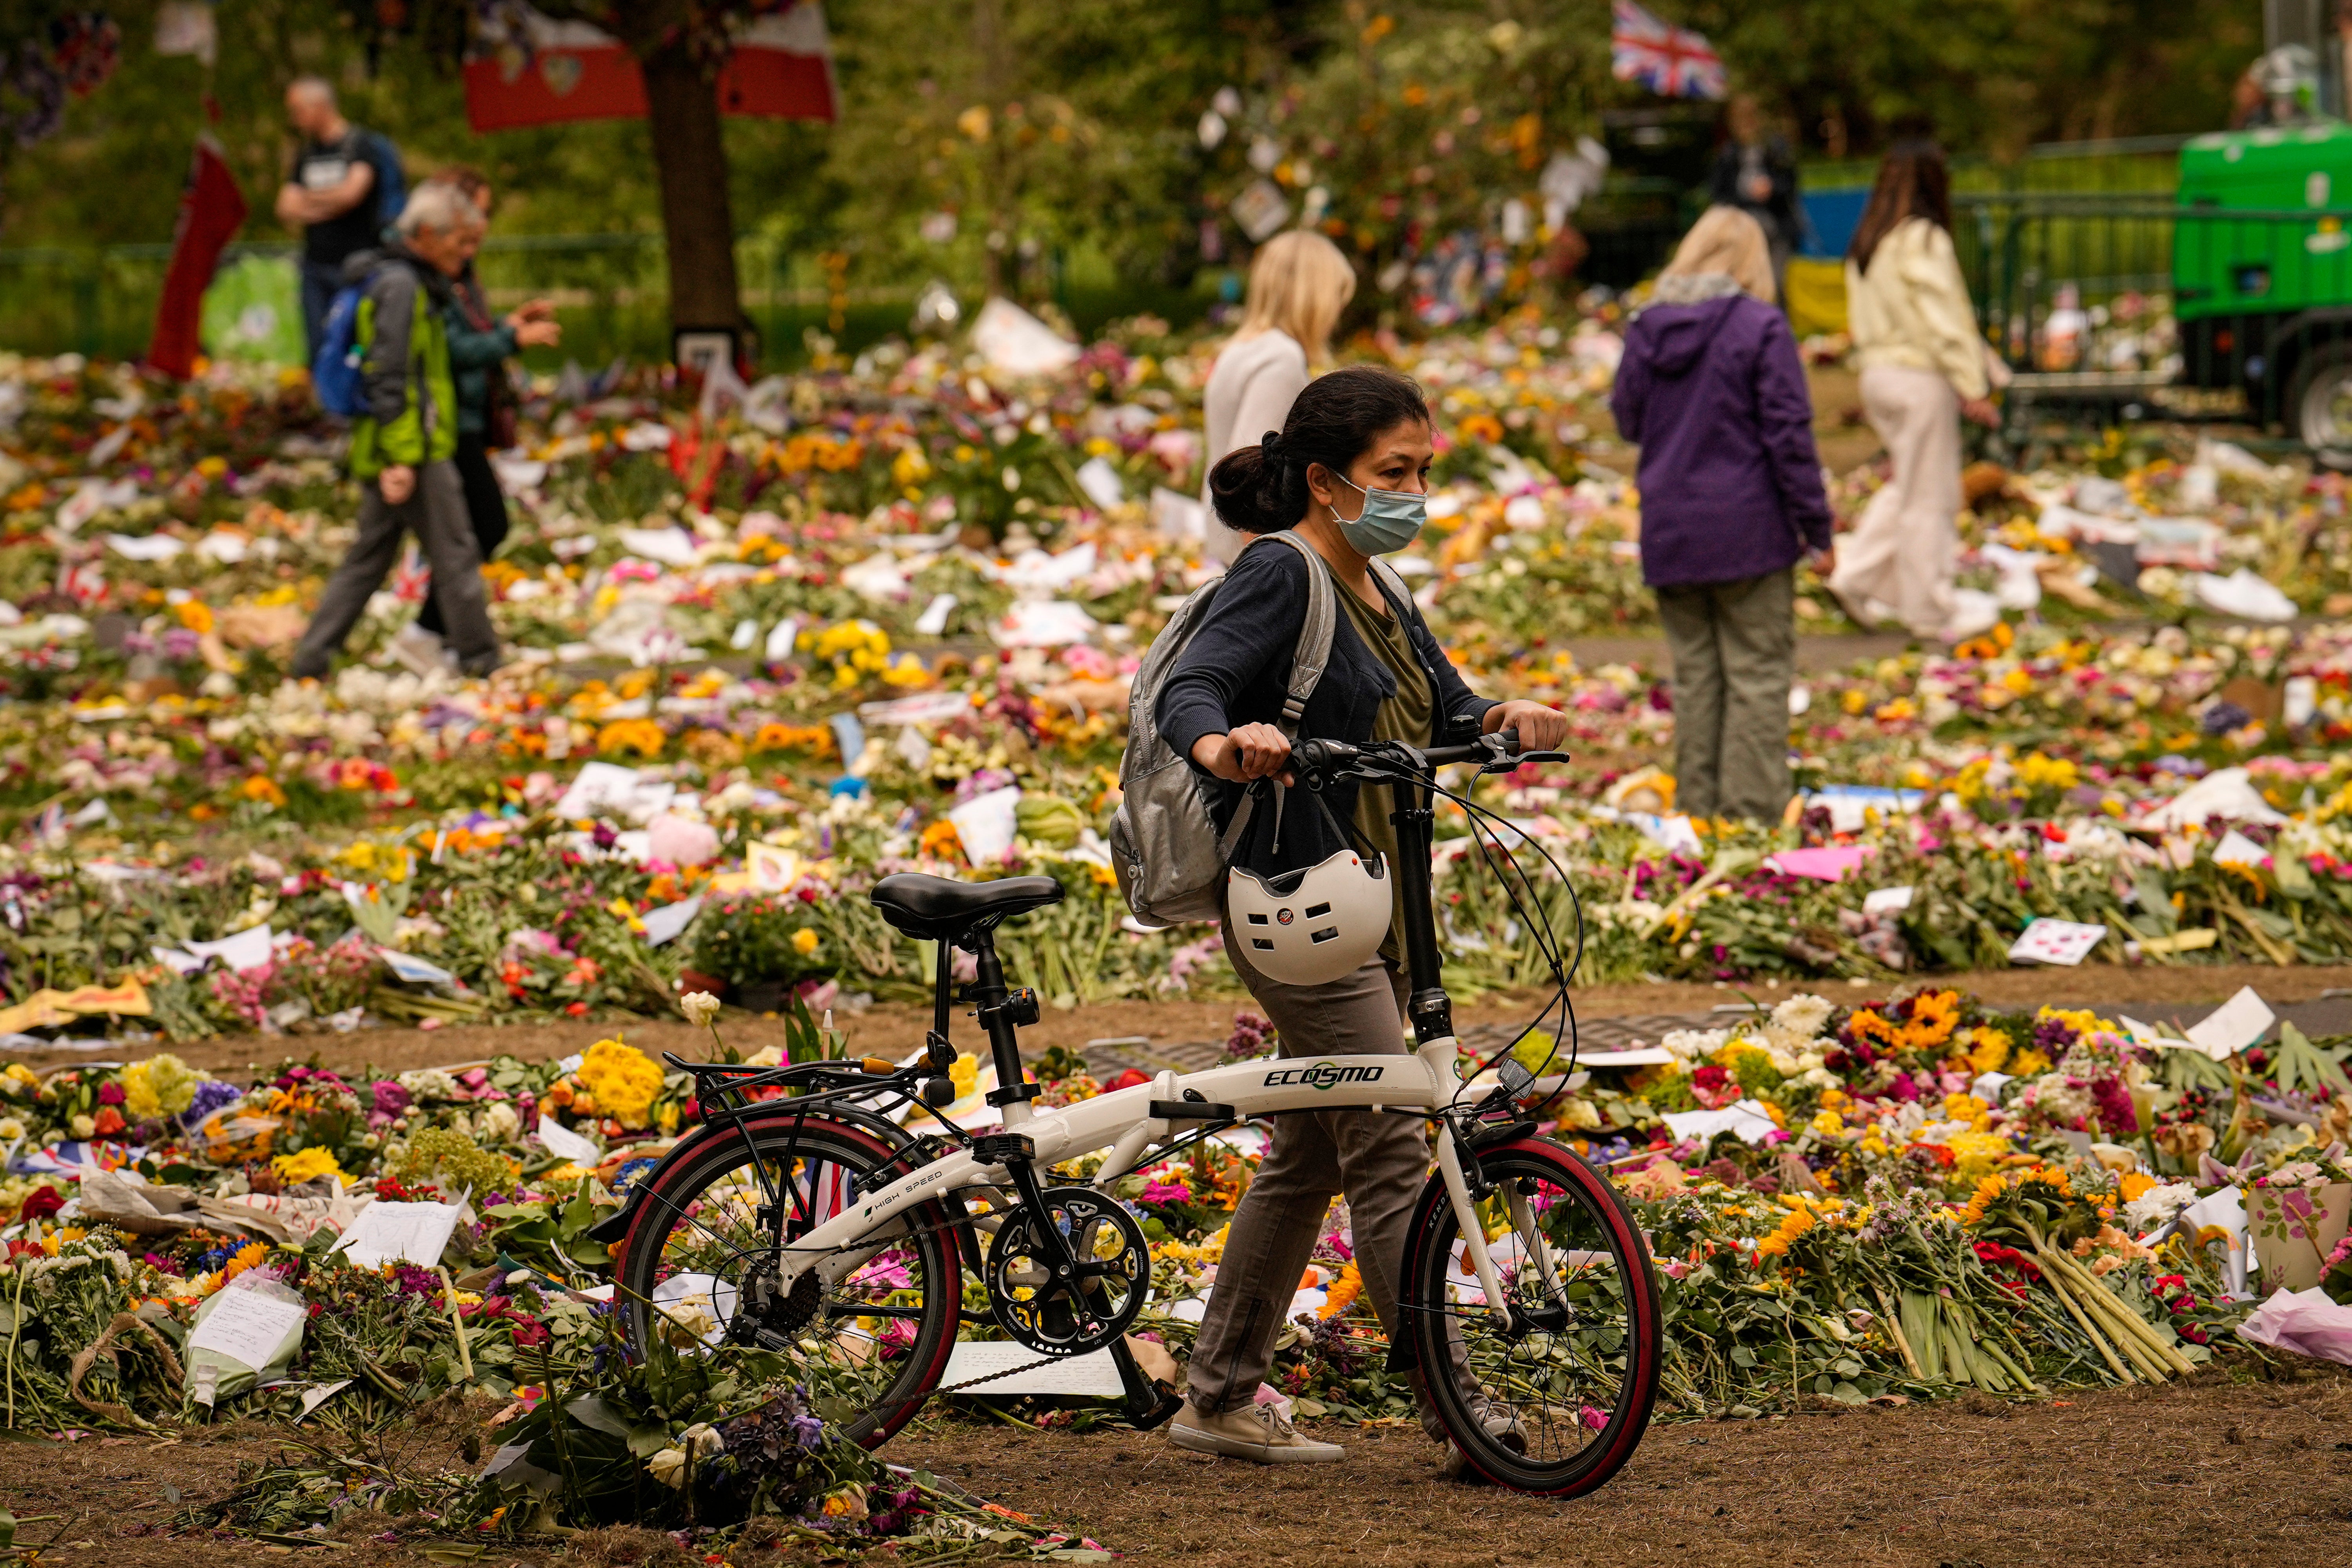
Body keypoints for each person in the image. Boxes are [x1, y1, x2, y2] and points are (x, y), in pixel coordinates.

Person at [1155, 365, 1572, 1467]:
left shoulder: (1380, 585)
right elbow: (1188, 689)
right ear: (1330, 481)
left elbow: (1443, 700)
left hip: (1377, 899)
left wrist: (1502, 718)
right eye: (1398, 473)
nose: (1417, 492)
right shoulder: (1282, 575)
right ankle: (1459, 1409)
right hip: (1302, 907)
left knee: (1309, 1154)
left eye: (1426, 470)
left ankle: (1216, 1397)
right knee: (1393, 1146)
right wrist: (1226, 745)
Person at [1612, 207, 1831, 824]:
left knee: (1698, 677)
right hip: (1749, 530)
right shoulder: (1759, 326)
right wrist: (1817, 529)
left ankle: (1699, 814)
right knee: (1758, 676)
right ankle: (1749, 822)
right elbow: (1790, 436)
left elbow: (1628, 420)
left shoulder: (1646, 328)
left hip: (1672, 530)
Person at [290, 185, 502, 682]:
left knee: (370, 556)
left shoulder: (401, 278)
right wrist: (402, 458)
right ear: (428, 234)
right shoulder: (402, 286)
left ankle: (311, 660)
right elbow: (391, 375)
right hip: (413, 447)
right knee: (455, 552)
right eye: (459, 241)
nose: (466, 254)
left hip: (402, 444)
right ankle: (482, 660)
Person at [388, 167, 559, 677]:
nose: (479, 230)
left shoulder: (453, 272)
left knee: (457, 534)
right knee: (475, 530)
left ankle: (431, 637)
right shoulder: (424, 278)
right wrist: (511, 342)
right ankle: (451, 644)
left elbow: (462, 336)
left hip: (456, 418)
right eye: (475, 214)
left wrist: (506, 326)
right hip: (441, 421)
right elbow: (449, 350)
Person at [1829, 138, 1999, 642]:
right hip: (1918, 374)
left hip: (1878, 373)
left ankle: (1854, 575)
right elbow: (1943, 318)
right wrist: (1973, 382)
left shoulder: (1871, 241)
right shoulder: (1922, 237)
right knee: (1932, 496)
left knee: (1909, 485)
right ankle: (1931, 609)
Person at [1199, 230, 1357, 564]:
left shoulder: (1244, 348)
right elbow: (1254, 474)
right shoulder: (1281, 360)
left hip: (1233, 547)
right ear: (1316, 297)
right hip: (1255, 556)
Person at [276, 78, 406, 363]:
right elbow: (285, 206)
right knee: (320, 347)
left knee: (359, 345)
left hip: (357, 266)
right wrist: (331, 202)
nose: (295, 120)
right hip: (315, 266)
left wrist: (309, 200)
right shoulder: (307, 152)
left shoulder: (360, 145)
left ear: (320, 106)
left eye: (298, 111)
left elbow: (352, 195)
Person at [1707, 94, 1800, 301]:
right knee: (1744, 286)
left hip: (1776, 226)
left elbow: (1791, 184)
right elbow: (1718, 194)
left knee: (1776, 285)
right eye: (1744, 118)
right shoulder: (1729, 153)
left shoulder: (1776, 148)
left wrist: (1772, 187)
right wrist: (1743, 195)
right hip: (1742, 228)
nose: (1749, 123)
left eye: (1753, 117)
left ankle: (1777, 329)